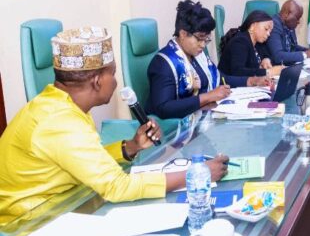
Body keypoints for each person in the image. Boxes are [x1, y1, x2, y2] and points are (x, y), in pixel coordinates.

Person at [0, 26, 229, 224]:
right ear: (98, 81)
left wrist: (129, 147)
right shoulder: (60, 121)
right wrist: (197, 174)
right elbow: (117, 187)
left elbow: (85, 159)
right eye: (113, 74)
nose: (117, 81)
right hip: (30, 225)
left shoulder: (59, 105)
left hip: (65, 203)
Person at [146, 0, 270, 119]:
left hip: (202, 119)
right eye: (199, 38)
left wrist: (251, 81)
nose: (203, 45)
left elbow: (219, 78)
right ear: (183, 34)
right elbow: (163, 108)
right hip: (175, 131)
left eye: (206, 39)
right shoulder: (164, 63)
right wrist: (207, 97)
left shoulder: (197, 55)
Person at [218, 10, 283, 77]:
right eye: (266, 29)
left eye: (270, 31)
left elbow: (268, 55)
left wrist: (266, 59)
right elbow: (238, 72)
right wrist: (268, 72)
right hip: (229, 86)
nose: (268, 34)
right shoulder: (240, 42)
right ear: (252, 26)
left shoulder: (258, 43)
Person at [267, 0, 310, 65]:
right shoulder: (274, 25)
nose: (298, 21)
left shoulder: (289, 24)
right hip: (276, 69)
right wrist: (305, 54)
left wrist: (309, 50)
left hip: (289, 65)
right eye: (297, 18)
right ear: (286, 14)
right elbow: (278, 57)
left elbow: (293, 47)